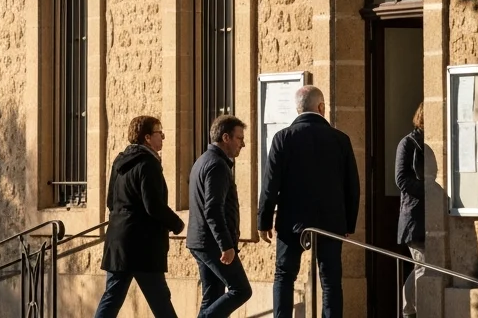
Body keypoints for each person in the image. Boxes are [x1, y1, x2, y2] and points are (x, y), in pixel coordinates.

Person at [257, 86, 360, 318]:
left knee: (284, 276)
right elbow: (352, 186)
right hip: (331, 221)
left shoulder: (283, 138)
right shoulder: (341, 140)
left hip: (291, 220)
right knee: (331, 281)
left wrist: (263, 221)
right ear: (321, 107)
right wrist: (348, 225)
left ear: (297, 109)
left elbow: (270, 184)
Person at [93, 115, 185, 318]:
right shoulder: (148, 164)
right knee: (160, 300)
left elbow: (110, 201)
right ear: (147, 138)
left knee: (112, 298)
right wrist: (176, 223)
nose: (163, 137)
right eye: (159, 132)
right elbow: (153, 205)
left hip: (119, 242)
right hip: (142, 244)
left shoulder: (119, 162)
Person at [186, 115, 253, 318]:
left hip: (201, 241)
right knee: (241, 290)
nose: (243, 143)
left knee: (212, 297)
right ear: (226, 137)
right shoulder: (217, 165)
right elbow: (213, 209)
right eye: (239, 138)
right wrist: (226, 245)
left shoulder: (203, 160)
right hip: (212, 243)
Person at [395, 103, 426, 317]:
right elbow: (401, 179)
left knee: (422, 267)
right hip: (415, 217)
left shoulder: (434, 141)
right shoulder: (408, 143)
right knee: (424, 266)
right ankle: (409, 311)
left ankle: (409, 310)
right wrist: (430, 190)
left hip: (430, 217)